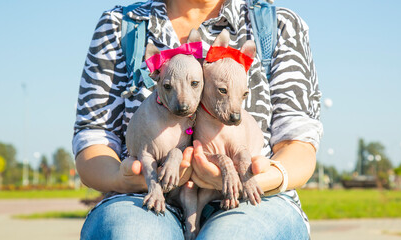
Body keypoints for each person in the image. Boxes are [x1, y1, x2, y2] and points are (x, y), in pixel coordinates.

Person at [72, 0, 322, 239]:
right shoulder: (121, 24)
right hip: (139, 194)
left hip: (256, 196)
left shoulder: (277, 25)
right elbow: (93, 137)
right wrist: (121, 178)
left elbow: (298, 142)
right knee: (133, 233)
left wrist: (255, 179)